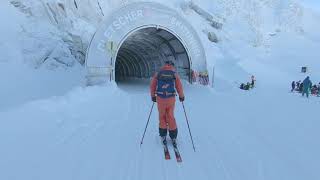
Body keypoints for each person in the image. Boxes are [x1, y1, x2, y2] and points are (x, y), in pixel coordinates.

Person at [150, 61, 185, 146]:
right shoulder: (174, 74)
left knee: (162, 116)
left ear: (164, 65)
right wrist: (181, 96)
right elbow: (179, 86)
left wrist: (153, 96)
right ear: (172, 65)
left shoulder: (158, 73)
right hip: (171, 98)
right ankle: (173, 136)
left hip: (160, 98)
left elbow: (152, 85)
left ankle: (163, 135)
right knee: (170, 116)